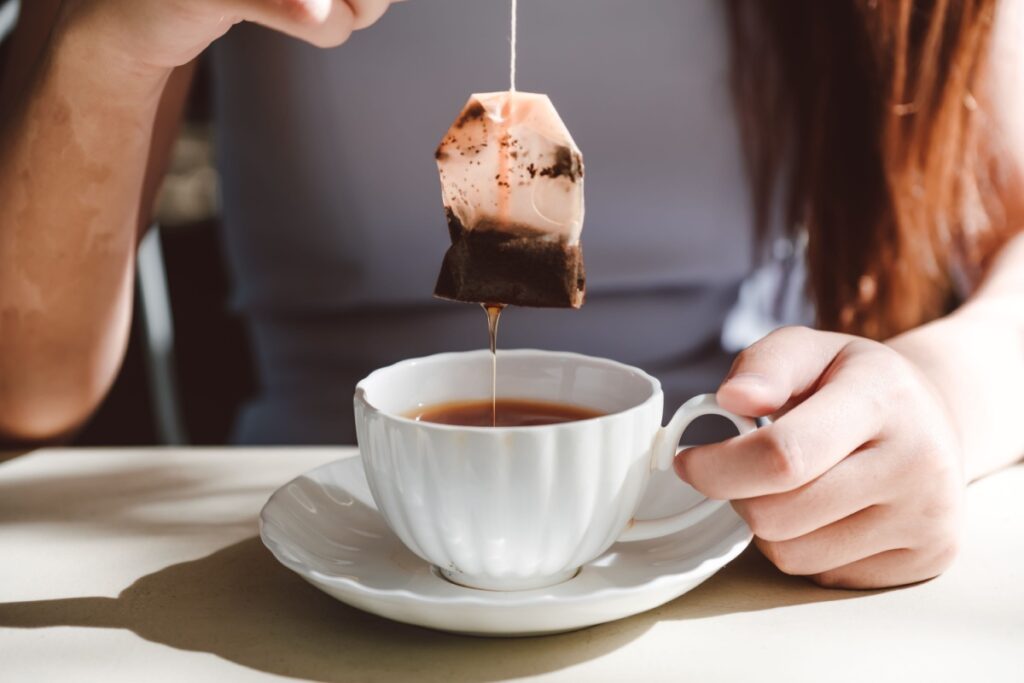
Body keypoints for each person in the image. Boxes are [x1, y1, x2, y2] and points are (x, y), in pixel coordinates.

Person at [0, 0, 1021, 590]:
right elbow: (23, 385)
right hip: (307, 552)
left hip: (720, 540)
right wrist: (109, 38)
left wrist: (941, 394)